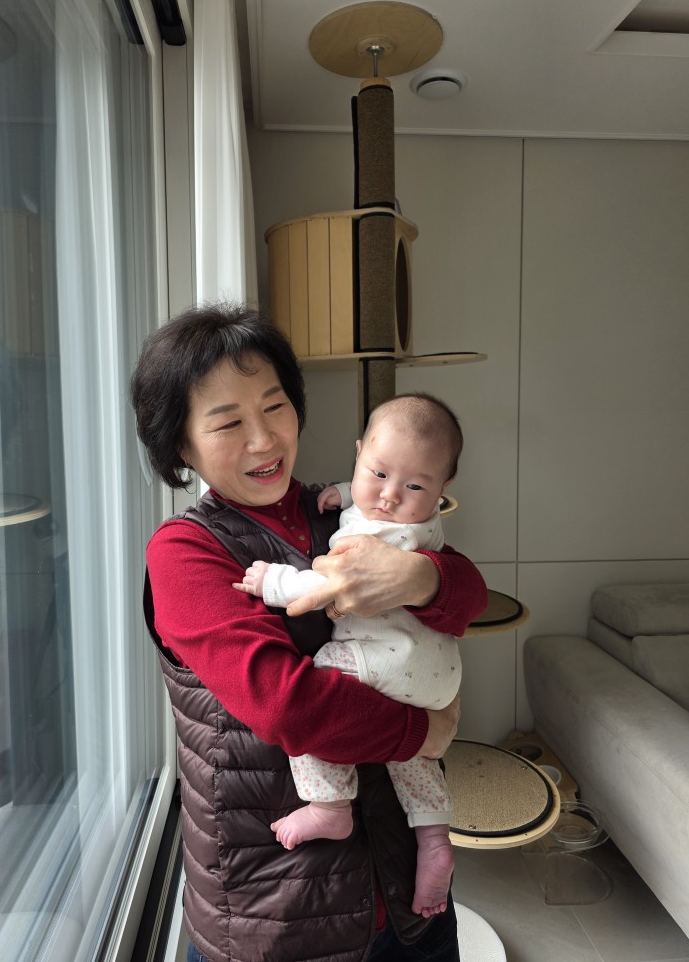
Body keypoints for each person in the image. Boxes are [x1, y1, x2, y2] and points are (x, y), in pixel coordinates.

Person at [130, 304, 488, 962]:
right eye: (229, 422)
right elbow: (285, 704)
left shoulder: (344, 508)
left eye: (275, 407)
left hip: (405, 893)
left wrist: (419, 579)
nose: (263, 440)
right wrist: (422, 732)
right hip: (282, 914)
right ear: (180, 444)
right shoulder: (184, 552)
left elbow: (470, 596)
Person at [233, 393, 463, 918]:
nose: (389, 496)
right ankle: (434, 836)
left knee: (319, 678)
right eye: (377, 473)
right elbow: (382, 496)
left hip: (386, 657)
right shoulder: (420, 521)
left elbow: (328, 586)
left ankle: (329, 804)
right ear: (359, 455)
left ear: (443, 487)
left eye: (415, 487)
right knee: (415, 756)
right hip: (436, 671)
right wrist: (344, 490)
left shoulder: (382, 531)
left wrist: (274, 581)